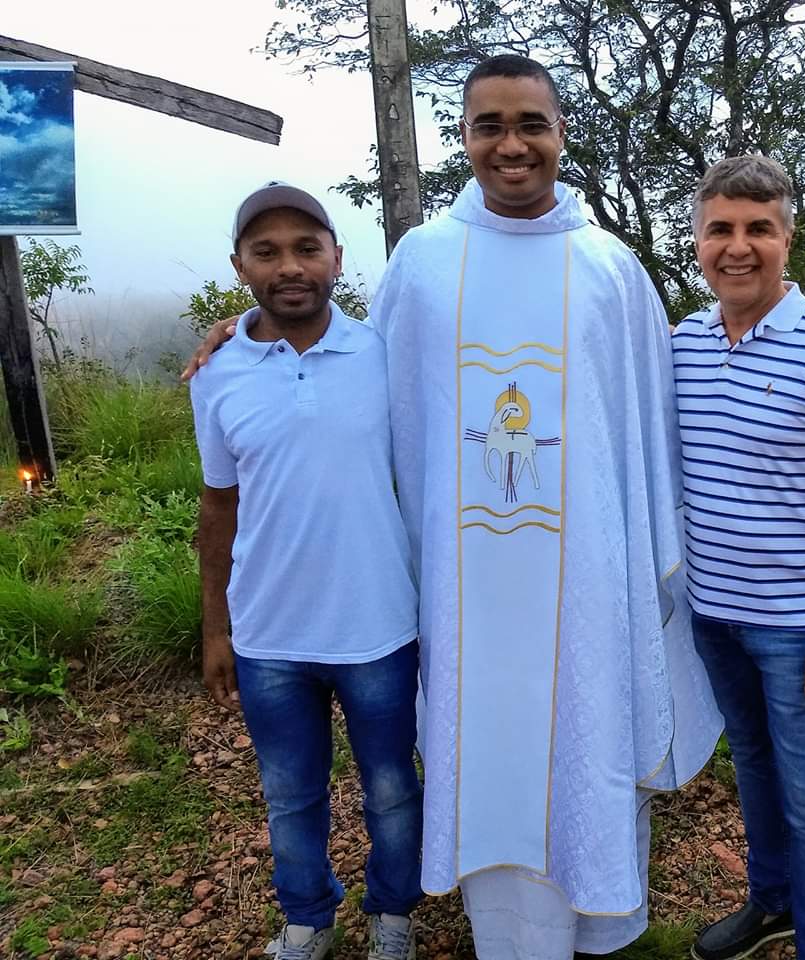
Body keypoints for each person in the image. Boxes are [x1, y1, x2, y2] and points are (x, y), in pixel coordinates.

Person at [185, 56, 723, 960]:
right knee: (485, 750)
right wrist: (242, 338)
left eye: (531, 124)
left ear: (561, 134)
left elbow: (641, 418)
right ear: (464, 139)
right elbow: (359, 369)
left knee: (578, 736)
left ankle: (594, 908)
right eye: (488, 126)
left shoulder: (609, 267)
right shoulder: (425, 263)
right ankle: (504, 932)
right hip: (460, 581)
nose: (511, 145)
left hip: (582, 578)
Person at [190, 182, 422, 960]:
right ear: (240, 266)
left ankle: (393, 913)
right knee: (291, 796)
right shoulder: (217, 371)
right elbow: (217, 508)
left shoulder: (382, 351)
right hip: (269, 636)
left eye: (306, 248)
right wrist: (216, 627)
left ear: (336, 258)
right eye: (267, 252)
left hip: (379, 624)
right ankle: (307, 918)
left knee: (392, 790)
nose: (290, 266)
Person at [673, 156, 805, 960]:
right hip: (715, 614)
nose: (738, 246)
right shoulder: (684, 341)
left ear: (787, 238)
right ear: (698, 241)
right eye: (720, 228)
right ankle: (772, 904)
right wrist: (248, 332)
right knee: (754, 770)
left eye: (758, 229)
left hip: (798, 627)